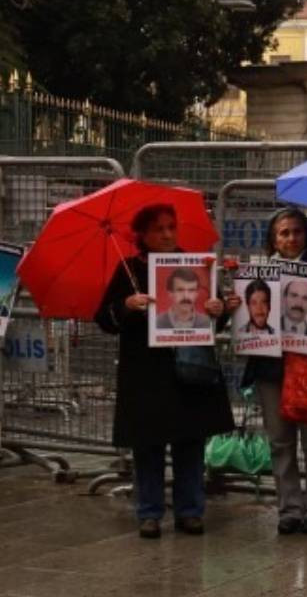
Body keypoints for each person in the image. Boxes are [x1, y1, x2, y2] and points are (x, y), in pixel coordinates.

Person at [94, 204, 234, 539]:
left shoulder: (196, 266)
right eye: (159, 229)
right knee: (148, 444)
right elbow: (104, 318)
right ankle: (149, 513)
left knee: (190, 443)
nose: (168, 234)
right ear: (142, 235)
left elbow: (215, 313)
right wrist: (126, 306)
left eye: (171, 227)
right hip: (146, 374)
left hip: (190, 370)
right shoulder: (128, 269)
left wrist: (219, 309)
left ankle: (190, 511)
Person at [227, 207, 307, 535]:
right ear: (273, 239)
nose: (291, 238)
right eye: (284, 233)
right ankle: (289, 509)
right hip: (271, 368)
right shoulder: (257, 272)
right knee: (280, 441)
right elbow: (242, 323)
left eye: (297, 231)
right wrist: (234, 307)